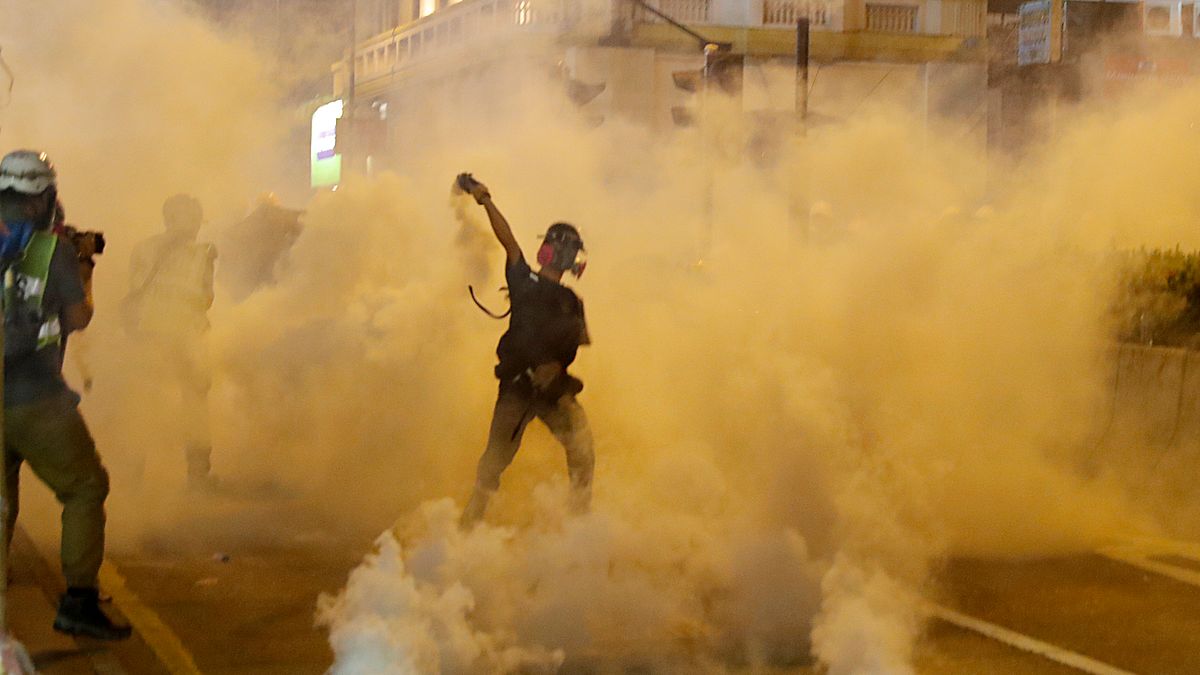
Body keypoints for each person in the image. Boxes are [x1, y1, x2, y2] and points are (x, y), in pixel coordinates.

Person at [0, 150, 130, 640]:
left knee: (2, 497)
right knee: (85, 487)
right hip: (36, 399)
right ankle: (78, 601)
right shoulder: (51, 252)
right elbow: (78, 318)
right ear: (43, 199)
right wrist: (81, 263)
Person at [456, 174, 594, 527]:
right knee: (495, 461)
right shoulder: (528, 282)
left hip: (552, 390)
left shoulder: (567, 300)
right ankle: (472, 517)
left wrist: (482, 197)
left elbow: (568, 350)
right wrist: (483, 198)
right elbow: (508, 239)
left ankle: (579, 520)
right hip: (519, 386)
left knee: (581, 450)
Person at [123, 194, 217, 488]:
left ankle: (135, 476)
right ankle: (197, 476)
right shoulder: (203, 252)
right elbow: (206, 297)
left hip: (153, 335)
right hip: (181, 336)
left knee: (151, 404)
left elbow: (134, 289)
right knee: (193, 404)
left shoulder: (144, 248)